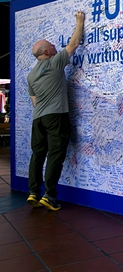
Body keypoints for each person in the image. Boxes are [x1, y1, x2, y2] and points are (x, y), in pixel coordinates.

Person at [26, 11, 85, 211]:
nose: (54, 46)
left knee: (38, 155)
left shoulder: (31, 76)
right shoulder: (54, 63)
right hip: (56, 116)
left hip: (38, 119)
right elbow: (74, 44)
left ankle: (33, 192)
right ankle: (49, 196)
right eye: (51, 45)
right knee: (55, 155)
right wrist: (80, 21)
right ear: (46, 52)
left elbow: (34, 101)